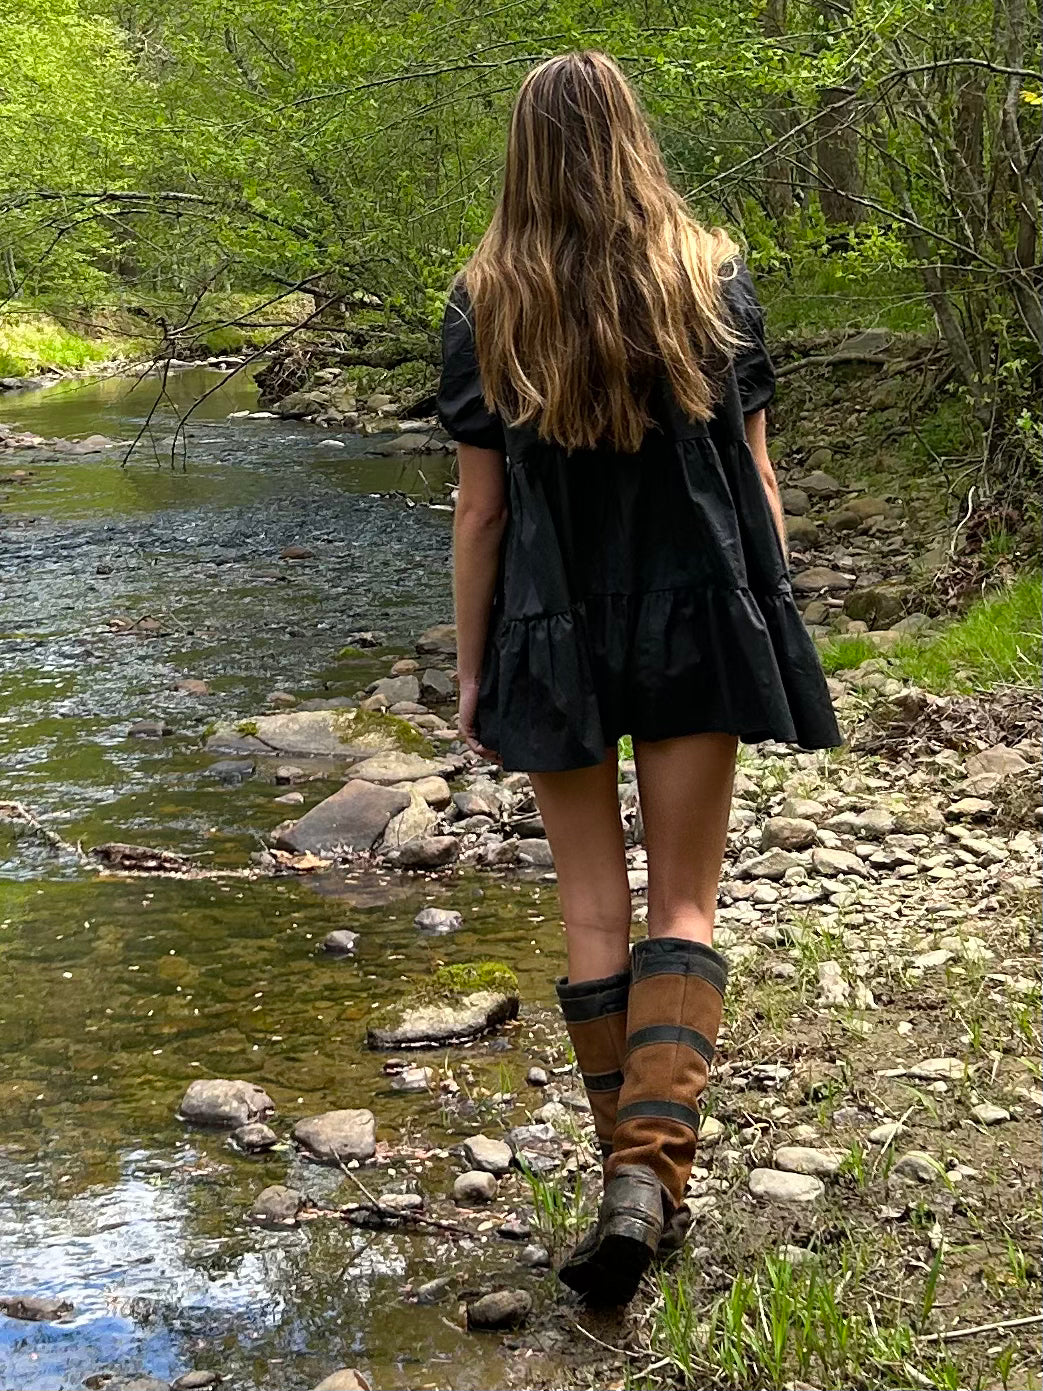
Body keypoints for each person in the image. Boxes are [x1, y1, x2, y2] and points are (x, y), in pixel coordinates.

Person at [436, 50, 841, 1306]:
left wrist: (470, 668)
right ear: (632, 140)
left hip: (551, 628)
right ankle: (645, 1178)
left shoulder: (483, 298)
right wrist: (770, 616)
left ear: (521, 155)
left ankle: (635, 1177)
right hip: (692, 618)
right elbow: (757, 478)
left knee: (592, 916)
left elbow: (480, 515)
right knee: (685, 904)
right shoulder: (707, 278)